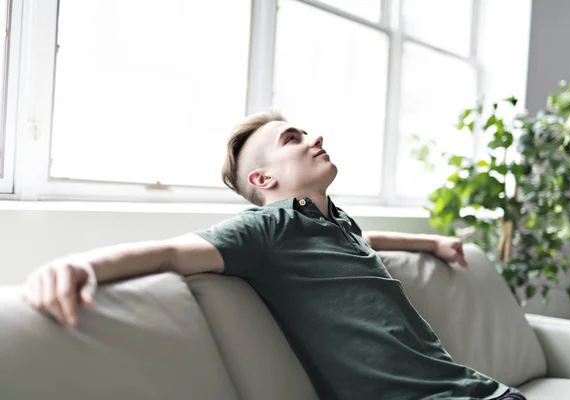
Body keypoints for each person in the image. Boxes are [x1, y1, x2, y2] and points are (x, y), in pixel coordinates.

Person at [22, 109, 526, 400]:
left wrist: (430, 243)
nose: (315, 138)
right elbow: (170, 253)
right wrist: (80, 264)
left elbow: (370, 240)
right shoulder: (270, 228)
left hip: (474, 391)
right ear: (264, 180)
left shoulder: (333, 224)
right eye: (294, 139)